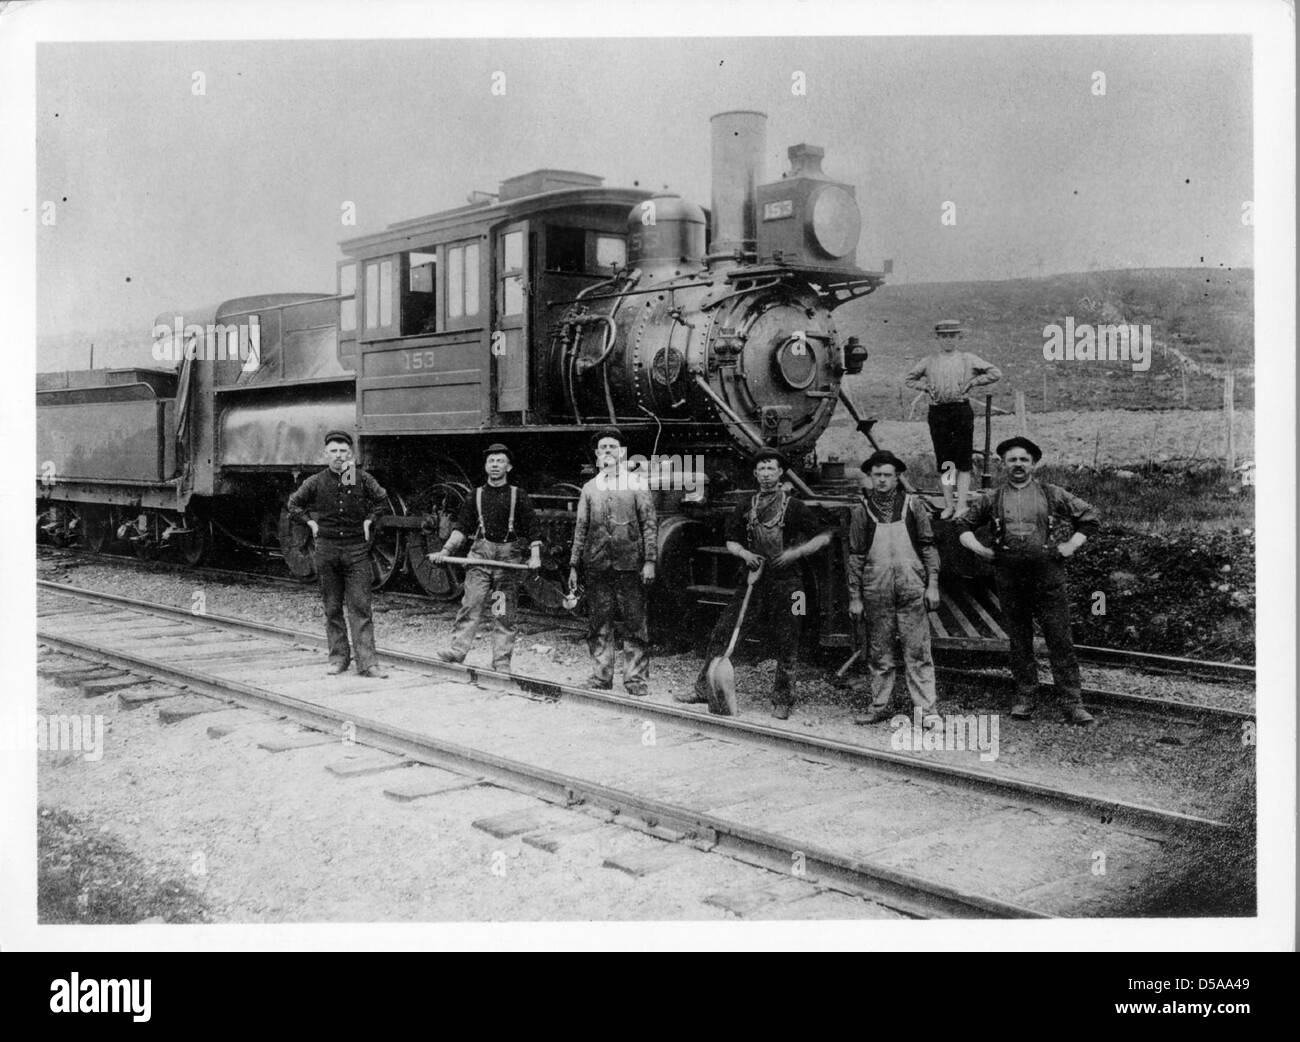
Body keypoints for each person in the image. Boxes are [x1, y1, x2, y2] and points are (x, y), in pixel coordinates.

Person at [956, 436, 1100, 725]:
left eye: (1024, 459)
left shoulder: (1051, 493)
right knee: (1019, 641)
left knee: (1060, 640)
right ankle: (1025, 697)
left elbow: (1089, 516)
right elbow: (963, 524)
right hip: (1010, 577)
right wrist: (982, 550)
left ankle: (1072, 703)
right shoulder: (992, 498)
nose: (1018, 464)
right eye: (1012, 460)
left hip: (1047, 575)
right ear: (1004, 465)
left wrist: (1070, 546)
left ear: (1033, 464)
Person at [681, 448, 832, 720]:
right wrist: (744, 554)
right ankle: (704, 688)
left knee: (789, 639)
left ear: (780, 473)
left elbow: (824, 537)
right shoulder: (746, 506)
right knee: (722, 632)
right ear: (755, 473)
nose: (765, 474)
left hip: (792, 587)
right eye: (761, 469)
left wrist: (794, 553)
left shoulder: (795, 507)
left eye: (771, 469)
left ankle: (783, 699)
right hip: (752, 583)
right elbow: (731, 539)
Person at [847, 450, 941, 725]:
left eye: (888, 475)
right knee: (879, 653)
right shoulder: (861, 511)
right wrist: (855, 596)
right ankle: (879, 705)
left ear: (898, 477)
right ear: (870, 477)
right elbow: (855, 556)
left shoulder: (913, 506)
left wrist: (932, 584)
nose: (882, 480)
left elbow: (928, 546)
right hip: (876, 589)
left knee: (918, 652)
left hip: (912, 586)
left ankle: (927, 711)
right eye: (877, 475)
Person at [428, 444, 541, 672]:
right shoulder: (475, 496)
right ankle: (457, 651)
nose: (495, 465)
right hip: (480, 561)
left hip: (505, 565)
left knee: (502, 613)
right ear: (486, 466)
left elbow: (533, 530)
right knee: (471, 605)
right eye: (491, 461)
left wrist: (535, 556)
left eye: (500, 461)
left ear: (508, 466)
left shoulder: (517, 496)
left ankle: (501, 661)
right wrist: (445, 551)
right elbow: (461, 529)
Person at [286, 430, 389, 678]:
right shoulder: (315, 481)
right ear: (325, 454)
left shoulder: (359, 478)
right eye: (334, 451)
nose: (339, 456)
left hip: (356, 552)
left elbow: (382, 500)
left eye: (343, 451)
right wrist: (310, 523)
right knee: (332, 607)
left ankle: (368, 663)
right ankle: (338, 659)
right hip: (327, 551)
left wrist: (369, 521)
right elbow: (293, 505)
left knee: (360, 607)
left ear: (351, 454)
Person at [568, 427, 657, 696]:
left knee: (635, 624)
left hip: (630, 564)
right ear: (597, 455)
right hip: (597, 565)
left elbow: (649, 524)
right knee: (599, 623)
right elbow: (581, 527)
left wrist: (650, 561)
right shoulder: (589, 488)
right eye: (603, 448)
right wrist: (574, 564)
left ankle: (635, 679)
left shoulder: (637, 484)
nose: (608, 451)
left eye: (612, 447)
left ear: (623, 453)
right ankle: (601, 675)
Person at [904, 321, 1002, 519]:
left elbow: (995, 373)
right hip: (938, 412)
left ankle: (962, 505)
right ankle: (949, 505)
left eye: (952, 336)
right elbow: (909, 379)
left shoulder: (968, 359)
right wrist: (925, 387)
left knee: (963, 461)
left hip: (960, 410)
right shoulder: (929, 361)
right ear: (938, 338)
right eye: (944, 336)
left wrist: (974, 381)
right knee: (946, 462)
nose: (948, 340)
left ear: (959, 338)